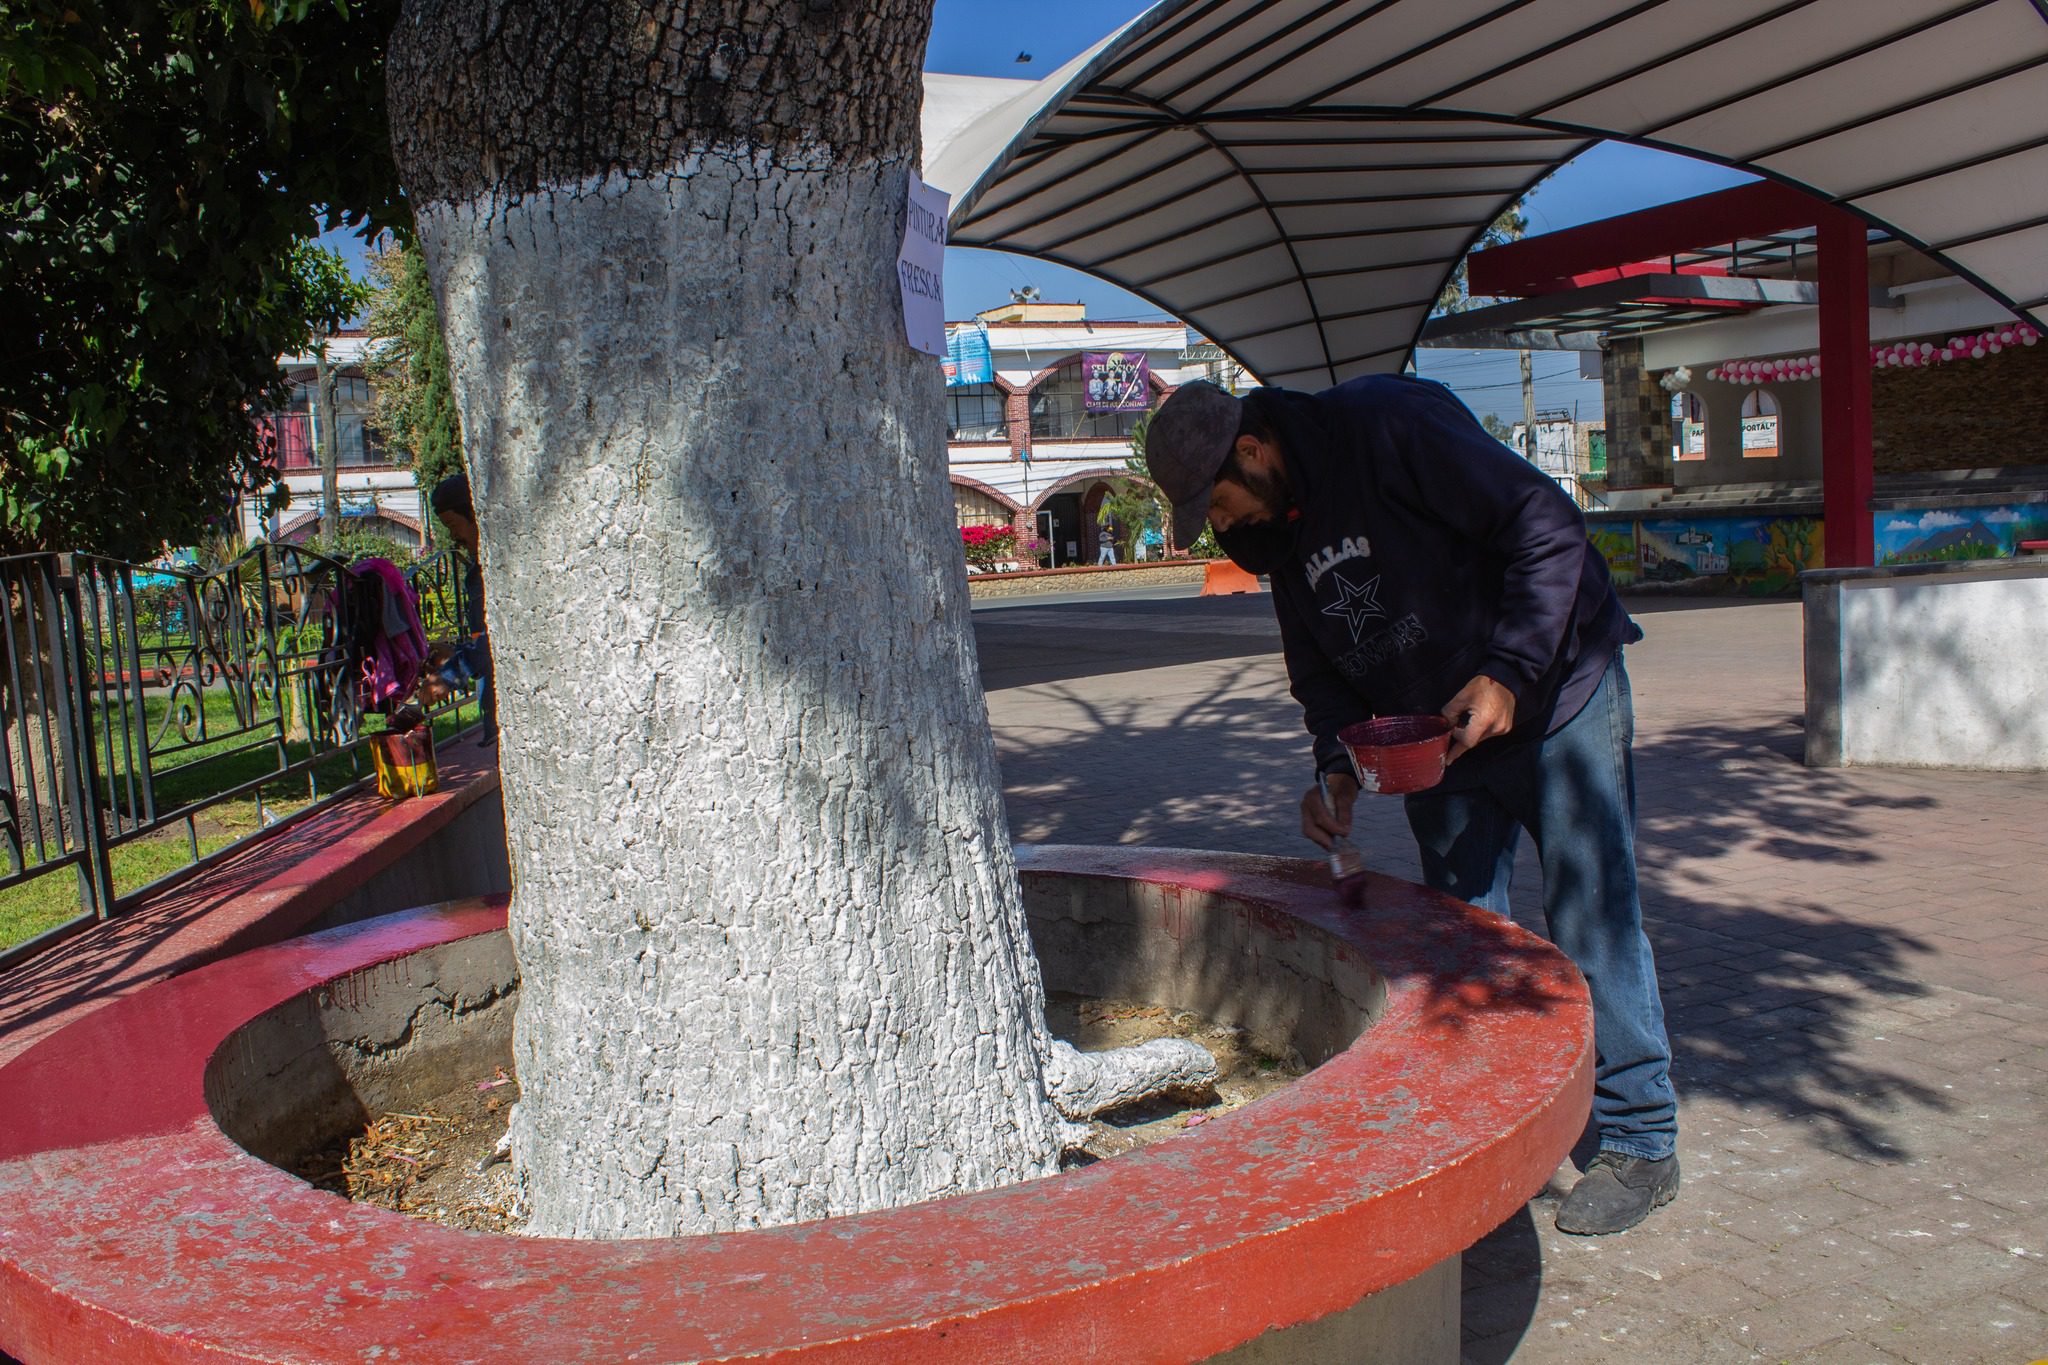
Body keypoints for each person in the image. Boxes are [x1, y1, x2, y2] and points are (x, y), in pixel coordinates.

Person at [1145, 377, 1679, 1236]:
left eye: (1221, 501)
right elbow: (1318, 671)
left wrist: (1508, 670)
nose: (1224, 526)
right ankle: (1507, 1126)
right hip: (1442, 740)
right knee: (1468, 935)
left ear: (1253, 450)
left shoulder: (1389, 427)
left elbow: (1548, 527)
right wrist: (1336, 766)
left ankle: (1640, 1137)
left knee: (1593, 915)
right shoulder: (1273, 534)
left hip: (1556, 696)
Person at [421, 473, 495, 744]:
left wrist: (450, 676)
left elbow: (499, 645)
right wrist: (455, 652)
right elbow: (487, 643)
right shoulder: (477, 572)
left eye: (453, 524)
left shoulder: (498, 571)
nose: (453, 536)